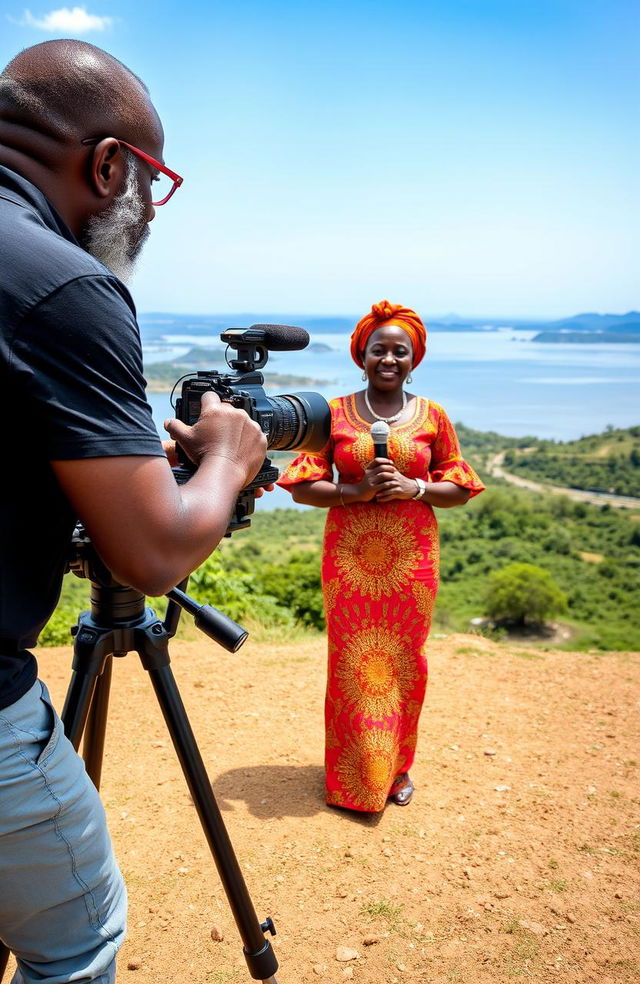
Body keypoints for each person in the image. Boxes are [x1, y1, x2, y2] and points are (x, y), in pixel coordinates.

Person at [0, 40, 267, 984]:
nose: (148, 209)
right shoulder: (62, 281)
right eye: (152, 182)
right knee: (77, 936)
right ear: (108, 164)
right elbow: (153, 554)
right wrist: (227, 460)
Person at [277, 300, 485, 813]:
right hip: (350, 558)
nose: (388, 359)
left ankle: (396, 769)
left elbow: (458, 485)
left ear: (414, 359)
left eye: (400, 351)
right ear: (361, 355)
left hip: (412, 559)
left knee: (402, 663)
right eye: (379, 350)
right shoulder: (335, 414)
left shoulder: (432, 416)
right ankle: (351, 778)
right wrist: (357, 491)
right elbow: (302, 485)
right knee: (352, 662)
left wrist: (414, 486)